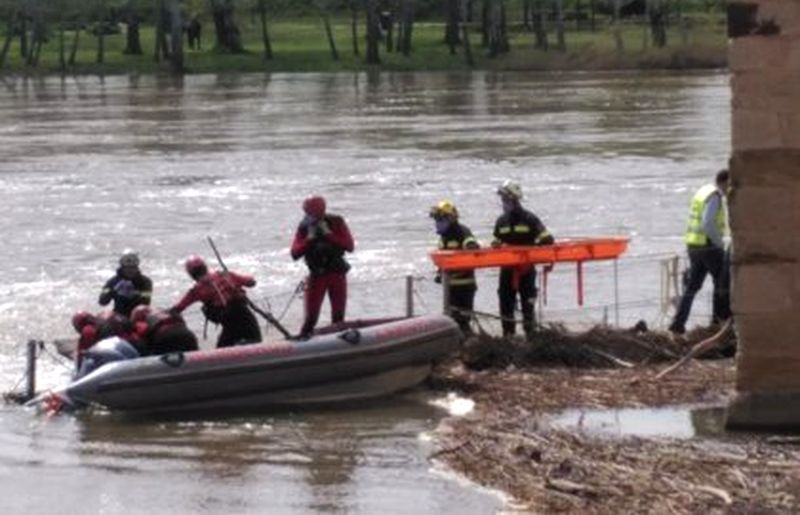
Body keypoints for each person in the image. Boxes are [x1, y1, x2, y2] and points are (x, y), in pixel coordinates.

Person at [669, 170, 731, 335]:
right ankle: (717, 322)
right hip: (709, 247)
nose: (729, 190)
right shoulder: (715, 196)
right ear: (724, 182)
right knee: (722, 283)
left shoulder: (703, 191)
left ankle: (677, 323)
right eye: (730, 185)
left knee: (692, 286)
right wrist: (719, 244)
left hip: (693, 245)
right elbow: (708, 223)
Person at [492, 180, 554, 340]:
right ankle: (508, 336)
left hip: (526, 270)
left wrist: (534, 248)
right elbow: (496, 242)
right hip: (506, 270)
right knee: (505, 303)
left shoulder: (529, 218)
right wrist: (496, 245)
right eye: (502, 200)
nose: (503, 203)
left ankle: (531, 336)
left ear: (514, 200)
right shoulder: (501, 221)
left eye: (505, 200)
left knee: (528, 305)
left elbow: (547, 238)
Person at [290, 195, 355, 339]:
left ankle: (339, 343)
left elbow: (349, 246)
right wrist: (309, 239)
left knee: (338, 316)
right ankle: (303, 342)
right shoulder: (304, 227)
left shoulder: (337, 221)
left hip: (336, 273)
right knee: (311, 318)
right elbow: (294, 253)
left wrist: (329, 235)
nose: (308, 216)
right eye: (306, 213)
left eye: (310, 212)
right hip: (317, 275)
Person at [169, 255, 262, 348]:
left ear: (191, 274)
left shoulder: (197, 290)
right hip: (247, 316)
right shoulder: (225, 275)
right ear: (205, 267)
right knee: (256, 343)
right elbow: (252, 282)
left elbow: (178, 308)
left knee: (222, 353)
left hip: (230, 323)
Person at [430, 200, 480, 334]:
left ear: (450, 218)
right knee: (451, 318)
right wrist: (439, 273)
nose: (437, 223)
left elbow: (470, 242)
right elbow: (444, 260)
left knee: (463, 320)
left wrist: (471, 246)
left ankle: (468, 344)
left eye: (440, 219)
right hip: (450, 286)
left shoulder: (461, 231)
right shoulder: (443, 238)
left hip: (465, 286)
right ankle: (459, 345)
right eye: (436, 220)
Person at [71, 310, 138, 368]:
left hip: (119, 355)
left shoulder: (88, 330)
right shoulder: (107, 316)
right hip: (133, 347)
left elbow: (82, 353)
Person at [98, 250, 153, 317]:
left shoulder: (145, 281)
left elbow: (146, 303)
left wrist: (133, 294)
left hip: (138, 316)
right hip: (118, 316)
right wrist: (114, 291)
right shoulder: (112, 282)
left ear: (137, 268)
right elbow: (102, 302)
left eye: (133, 267)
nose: (130, 270)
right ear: (122, 267)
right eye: (127, 268)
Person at [130, 305, 198, 355]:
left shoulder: (142, 321)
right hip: (187, 334)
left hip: (165, 338)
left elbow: (142, 335)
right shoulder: (165, 312)